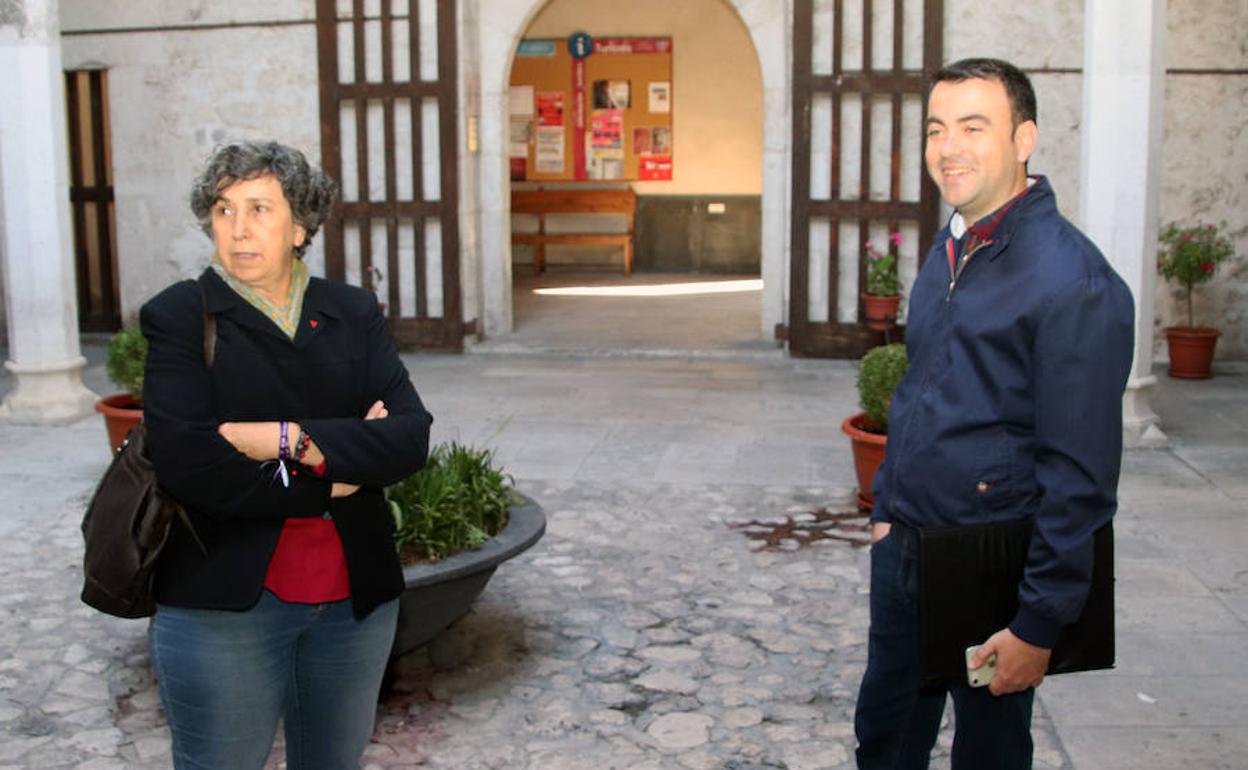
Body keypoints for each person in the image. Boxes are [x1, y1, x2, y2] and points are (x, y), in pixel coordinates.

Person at [853, 59, 1135, 769]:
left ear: (1025, 138)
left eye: (974, 127)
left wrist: (1038, 623)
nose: (949, 147)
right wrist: (887, 509)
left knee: (989, 753)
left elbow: (1080, 478)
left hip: (991, 567)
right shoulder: (952, 246)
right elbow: (921, 390)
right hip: (908, 550)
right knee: (884, 742)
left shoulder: (1076, 283)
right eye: (937, 129)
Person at [140, 141, 433, 769]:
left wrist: (286, 440)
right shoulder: (181, 317)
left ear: (300, 225)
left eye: (259, 209)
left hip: (354, 602)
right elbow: (191, 465)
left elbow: (409, 436)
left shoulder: (352, 312)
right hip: (224, 604)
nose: (238, 230)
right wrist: (334, 477)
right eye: (223, 210)